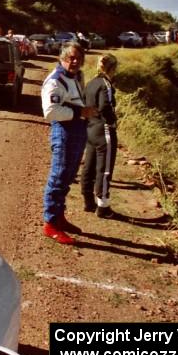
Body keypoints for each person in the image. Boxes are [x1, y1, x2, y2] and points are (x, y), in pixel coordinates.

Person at [41, 42, 98, 244]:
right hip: (64, 130)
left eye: (78, 58)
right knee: (59, 176)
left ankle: (59, 217)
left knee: (68, 176)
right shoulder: (55, 81)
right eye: (71, 58)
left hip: (77, 129)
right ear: (62, 57)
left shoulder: (75, 77)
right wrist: (79, 112)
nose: (75, 62)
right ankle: (51, 224)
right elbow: (50, 112)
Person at [81, 54, 119, 219]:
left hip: (90, 128)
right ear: (112, 68)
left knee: (89, 165)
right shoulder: (106, 84)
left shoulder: (90, 83)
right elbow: (105, 105)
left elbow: (84, 103)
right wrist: (113, 122)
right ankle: (103, 207)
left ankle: (88, 201)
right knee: (104, 169)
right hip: (104, 130)